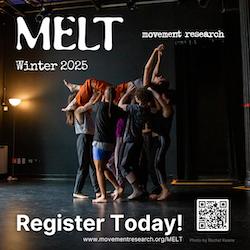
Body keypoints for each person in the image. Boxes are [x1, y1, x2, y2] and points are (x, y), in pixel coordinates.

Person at [61, 44, 168, 112]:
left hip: (118, 94)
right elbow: (155, 71)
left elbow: (147, 69)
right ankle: (76, 88)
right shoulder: (151, 85)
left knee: (90, 82)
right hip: (118, 90)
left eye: (161, 79)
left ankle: (74, 102)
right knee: (93, 87)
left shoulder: (147, 86)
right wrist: (159, 58)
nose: (160, 76)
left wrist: (154, 51)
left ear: (159, 84)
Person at [91, 86, 126, 203]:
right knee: (104, 167)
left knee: (99, 170)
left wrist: (98, 97)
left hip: (99, 142)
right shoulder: (117, 110)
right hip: (110, 143)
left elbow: (92, 106)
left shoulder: (100, 106)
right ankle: (118, 187)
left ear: (104, 96)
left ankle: (103, 196)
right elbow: (124, 114)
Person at [118, 84, 152, 200]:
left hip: (130, 139)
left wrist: (127, 93)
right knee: (135, 165)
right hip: (138, 139)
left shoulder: (136, 108)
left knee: (123, 165)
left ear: (138, 98)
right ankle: (142, 189)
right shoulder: (147, 110)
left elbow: (120, 105)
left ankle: (136, 190)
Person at [65, 92, 101, 199]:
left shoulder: (85, 111)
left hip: (89, 138)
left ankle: (98, 191)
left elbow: (92, 103)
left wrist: (97, 94)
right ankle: (77, 191)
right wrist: (96, 94)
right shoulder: (78, 110)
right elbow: (90, 103)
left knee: (92, 166)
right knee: (83, 166)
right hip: (83, 139)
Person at [147, 87, 175, 200]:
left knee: (156, 164)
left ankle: (165, 190)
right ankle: (162, 189)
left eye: (164, 96)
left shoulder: (168, 110)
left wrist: (151, 89)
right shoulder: (162, 110)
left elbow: (158, 97)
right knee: (156, 164)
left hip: (161, 140)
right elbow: (158, 100)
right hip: (156, 140)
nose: (161, 97)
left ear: (167, 100)